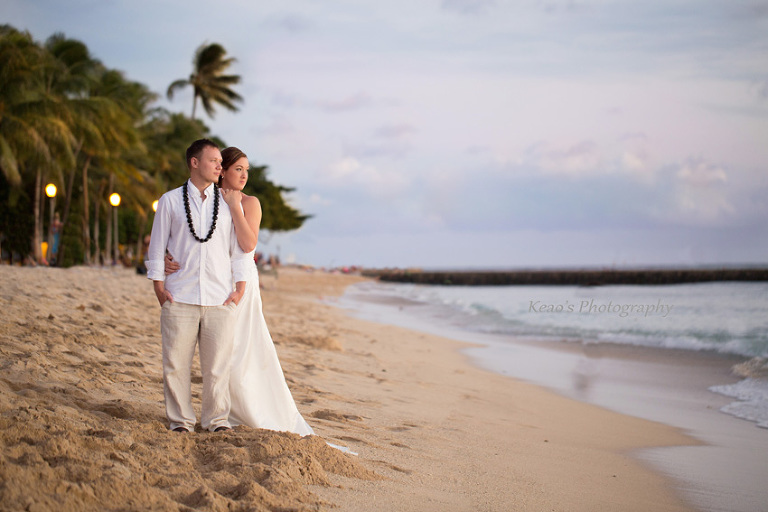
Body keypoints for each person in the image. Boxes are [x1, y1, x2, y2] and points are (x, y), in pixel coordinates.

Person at [166, 146, 313, 436]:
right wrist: (169, 257)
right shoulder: (202, 200)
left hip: (240, 284)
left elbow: (248, 245)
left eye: (247, 170)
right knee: (217, 351)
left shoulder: (250, 202)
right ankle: (217, 412)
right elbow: (189, 236)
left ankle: (237, 411)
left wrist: (235, 206)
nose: (244, 175)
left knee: (240, 349)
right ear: (222, 170)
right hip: (209, 282)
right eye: (238, 169)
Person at [145, 139, 252, 433]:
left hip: (220, 297)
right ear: (195, 163)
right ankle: (180, 422)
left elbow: (238, 251)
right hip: (179, 295)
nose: (220, 166)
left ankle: (216, 420)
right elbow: (156, 248)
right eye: (214, 161)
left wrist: (239, 290)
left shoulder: (230, 204)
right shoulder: (169, 200)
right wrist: (158, 287)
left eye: (221, 162)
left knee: (217, 368)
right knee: (176, 366)